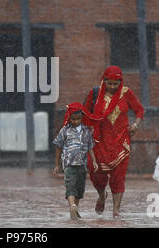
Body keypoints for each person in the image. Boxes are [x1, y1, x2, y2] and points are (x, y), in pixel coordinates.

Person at [83, 65, 144, 219]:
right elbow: (85, 113)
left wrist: (135, 125)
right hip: (99, 141)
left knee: (118, 177)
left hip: (120, 141)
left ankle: (116, 210)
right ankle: (102, 195)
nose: (112, 87)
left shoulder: (126, 93)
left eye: (115, 84)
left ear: (120, 82)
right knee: (95, 171)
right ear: (104, 81)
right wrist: (88, 128)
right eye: (109, 83)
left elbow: (139, 110)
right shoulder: (95, 94)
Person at [52, 102, 98, 220]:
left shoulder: (86, 131)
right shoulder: (65, 130)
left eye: (78, 119)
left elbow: (90, 147)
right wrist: (57, 165)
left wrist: (94, 161)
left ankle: (75, 209)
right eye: (73, 119)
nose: (75, 121)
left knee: (79, 187)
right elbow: (58, 146)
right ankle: (72, 205)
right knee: (70, 186)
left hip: (82, 165)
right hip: (69, 164)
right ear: (69, 118)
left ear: (82, 118)